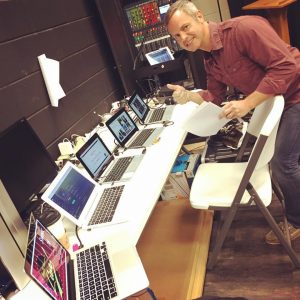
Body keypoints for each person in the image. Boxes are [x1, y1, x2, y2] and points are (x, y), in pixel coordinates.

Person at [165, 0, 300, 244]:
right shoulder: (210, 59)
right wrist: (189, 97)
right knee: (282, 162)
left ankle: (297, 220)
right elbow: (214, 97)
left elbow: (288, 68)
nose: (183, 37)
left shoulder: (244, 29)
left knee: (284, 163)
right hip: (278, 101)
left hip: (296, 95)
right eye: (176, 35)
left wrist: (247, 104)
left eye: (185, 27)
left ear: (199, 16)